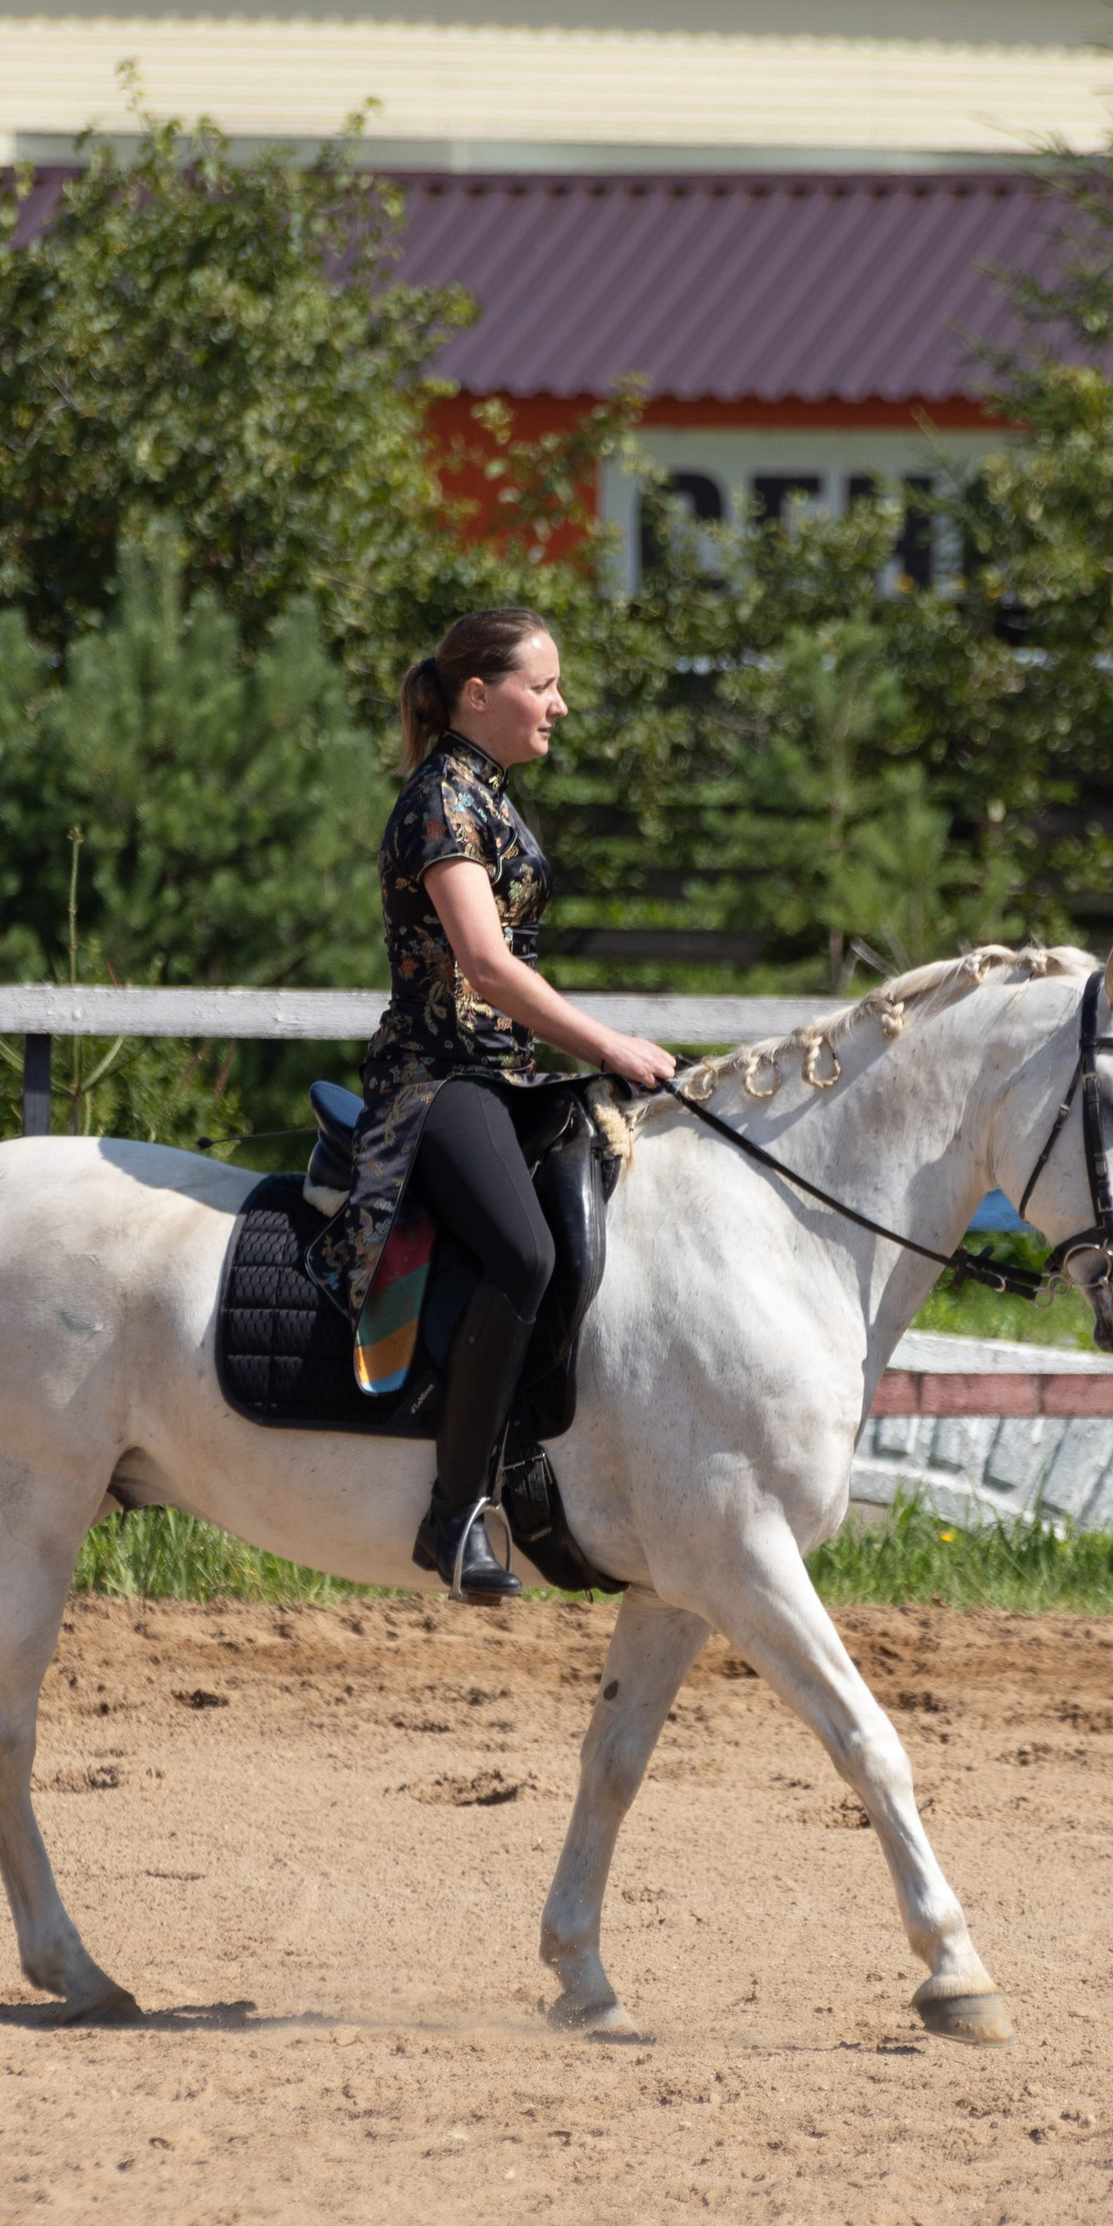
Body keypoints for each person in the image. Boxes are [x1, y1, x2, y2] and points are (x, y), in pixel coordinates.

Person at [306, 607, 677, 1602]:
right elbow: (483, 964)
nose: (559, 704)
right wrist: (608, 1045)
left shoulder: (490, 795)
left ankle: (552, 1461)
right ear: (479, 694)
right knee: (521, 1253)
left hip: (511, 1073)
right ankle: (452, 1511)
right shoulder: (439, 802)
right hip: (440, 1075)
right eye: (541, 686)